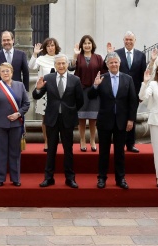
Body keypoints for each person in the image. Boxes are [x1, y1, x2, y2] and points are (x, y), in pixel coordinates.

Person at [33, 54, 84, 189]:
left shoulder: (75, 80)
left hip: (68, 119)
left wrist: (70, 111)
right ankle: (48, 178)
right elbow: (36, 96)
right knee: (51, 150)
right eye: (58, 64)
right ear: (55, 65)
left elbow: (80, 100)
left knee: (68, 150)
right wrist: (37, 88)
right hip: (52, 119)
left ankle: (70, 178)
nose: (61, 66)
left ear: (67, 65)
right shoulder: (48, 78)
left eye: (63, 63)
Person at [88, 53, 137, 189]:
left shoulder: (128, 79)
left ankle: (120, 178)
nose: (114, 65)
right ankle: (102, 178)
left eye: (116, 62)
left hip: (122, 121)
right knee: (103, 151)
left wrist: (131, 119)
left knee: (120, 152)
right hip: (105, 120)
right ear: (107, 65)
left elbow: (133, 101)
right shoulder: (101, 78)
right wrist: (95, 86)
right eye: (111, 63)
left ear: (119, 63)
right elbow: (91, 96)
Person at [0, 63, 30, 187]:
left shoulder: (20, 85)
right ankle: (0, 178)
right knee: (0, 152)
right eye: (2, 71)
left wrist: (18, 114)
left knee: (15, 152)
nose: (5, 73)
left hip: (16, 124)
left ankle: (15, 178)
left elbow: (26, 103)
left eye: (7, 71)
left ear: (12, 72)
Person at [106, 31, 147, 153]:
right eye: (126, 39)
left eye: (131, 39)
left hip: (134, 92)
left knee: (131, 117)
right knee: (120, 117)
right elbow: (108, 66)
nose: (128, 41)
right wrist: (108, 54)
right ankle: (120, 144)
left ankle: (130, 144)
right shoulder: (116, 53)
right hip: (118, 92)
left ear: (135, 41)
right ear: (123, 40)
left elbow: (143, 75)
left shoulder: (141, 55)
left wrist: (141, 93)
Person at [70, 35, 106, 152]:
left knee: (92, 118)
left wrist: (109, 54)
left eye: (89, 43)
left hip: (94, 90)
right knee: (81, 118)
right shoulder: (79, 57)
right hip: (81, 90)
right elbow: (71, 68)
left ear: (92, 45)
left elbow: (104, 70)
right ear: (82, 45)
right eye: (85, 43)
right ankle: (82, 140)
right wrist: (75, 55)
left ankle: (92, 140)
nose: (87, 45)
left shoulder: (98, 57)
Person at [29, 37, 60, 152]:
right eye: (48, 46)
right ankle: (46, 141)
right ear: (45, 48)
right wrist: (35, 54)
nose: (50, 48)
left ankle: (55, 141)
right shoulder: (41, 59)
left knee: (58, 119)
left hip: (58, 94)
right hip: (44, 93)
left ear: (56, 46)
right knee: (45, 119)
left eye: (52, 45)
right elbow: (31, 66)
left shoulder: (60, 58)